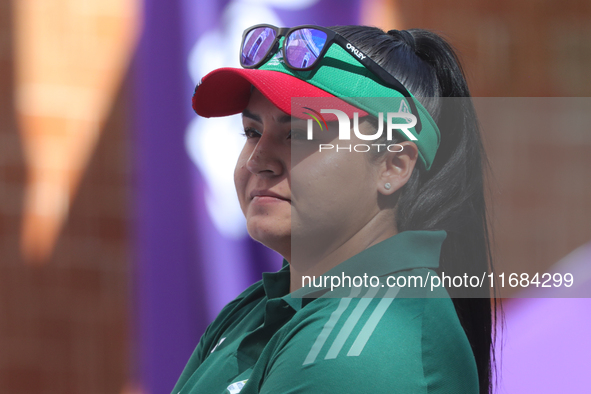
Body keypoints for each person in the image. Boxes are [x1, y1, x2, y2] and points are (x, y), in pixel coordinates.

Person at [172, 24, 497, 394]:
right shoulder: (256, 309)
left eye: (298, 133)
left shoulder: (365, 346)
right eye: (252, 132)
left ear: (393, 165)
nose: (257, 161)